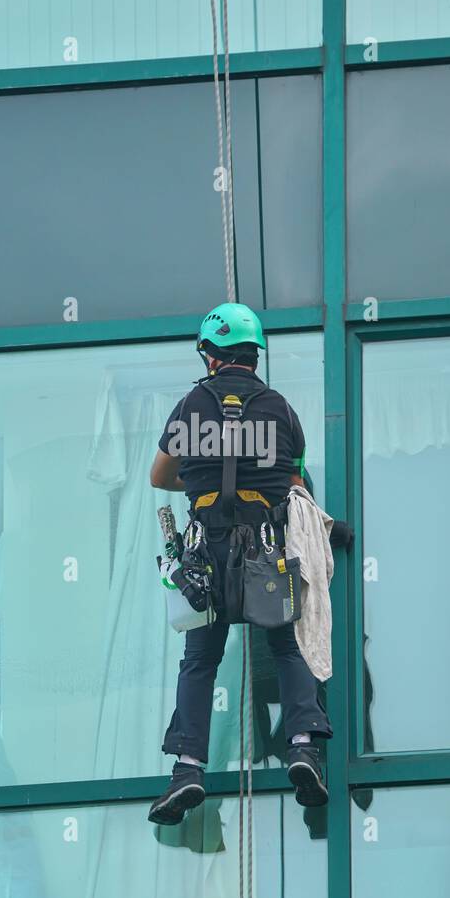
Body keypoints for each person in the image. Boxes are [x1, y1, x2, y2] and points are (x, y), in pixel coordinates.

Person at [147, 302, 332, 825]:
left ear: (210, 356)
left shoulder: (190, 406)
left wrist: (202, 480)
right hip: (266, 553)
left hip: (207, 557)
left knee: (199, 661)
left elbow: (160, 477)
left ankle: (187, 770)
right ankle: (302, 746)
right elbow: (292, 484)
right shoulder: (281, 410)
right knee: (287, 646)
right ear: (254, 355)